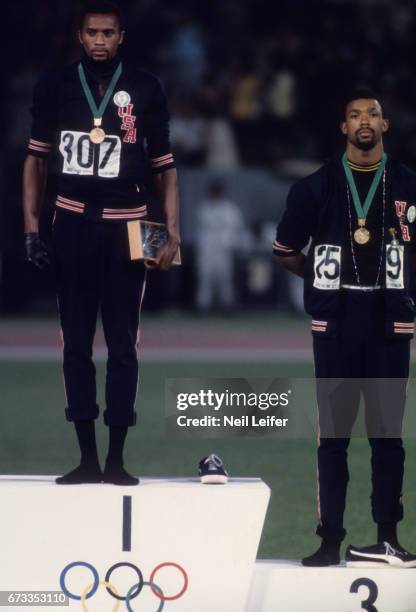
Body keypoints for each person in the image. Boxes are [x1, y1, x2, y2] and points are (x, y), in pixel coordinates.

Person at [22, 1, 180, 486]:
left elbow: (165, 169)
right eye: (92, 32)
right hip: (71, 222)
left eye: (108, 33)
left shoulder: (147, 87)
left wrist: (172, 234)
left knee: (124, 345)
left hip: (131, 224)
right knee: (74, 342)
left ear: (121, 37)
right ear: (79, 35)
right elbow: (35, 161)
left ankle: (117, 459)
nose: (100, 41)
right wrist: (31, 227)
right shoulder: (54, 86)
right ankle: (86, 457)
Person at [273, 89, 416, 567]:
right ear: (343, 127)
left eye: (372, 113)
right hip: (334, 324)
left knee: (387, 439)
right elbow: (286, 250)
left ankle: (388, 540)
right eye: (354, 114)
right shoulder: (314, 187)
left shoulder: (409, 186)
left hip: (390, 323)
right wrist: (321, 281)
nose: (364, 122)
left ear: (385, 124)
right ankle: (329, 540)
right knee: (333, 439)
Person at [195, 180, 245, 313]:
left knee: (225, 277)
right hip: (207, 247)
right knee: (205, 276)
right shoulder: (204, 207)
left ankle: (227, 305)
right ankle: (203, 306)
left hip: (224, 247)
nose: (215, 194)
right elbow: (202, 229)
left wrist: (232, 244)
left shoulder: (230, 209)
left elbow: (236, 229)